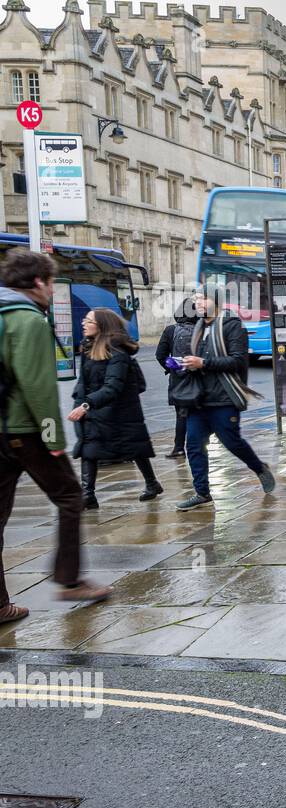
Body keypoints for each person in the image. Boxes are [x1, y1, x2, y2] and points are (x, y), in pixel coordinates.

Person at [0, 249, 112, 622]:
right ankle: (70, 580)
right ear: (37, 283)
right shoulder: (27, 319)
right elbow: (38, 387)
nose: (51, 290)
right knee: (69, 496)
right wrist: (54, 440)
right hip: (24, 430)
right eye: (50, 283)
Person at [174, 301, 276, 512]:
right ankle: (202, 493)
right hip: (199, 398)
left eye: (204, 298)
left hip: (224, 397)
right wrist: (184, 363)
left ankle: (259, 468)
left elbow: (237, 361)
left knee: (231, 442)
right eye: (197, 298)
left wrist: (204, 363)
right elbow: (199, 359)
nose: (198, 303)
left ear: (217, 301)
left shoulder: (233, 326)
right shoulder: (198, 328)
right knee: (193, 445)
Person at [70, 309, 163, 510]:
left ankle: (151, 482)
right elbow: (83, 381)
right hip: (94, 407)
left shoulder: (118, 353)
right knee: (90, 447)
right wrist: (79, 400)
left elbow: (113, 387)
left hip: (119, 410)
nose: (83, 323)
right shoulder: (88, 348)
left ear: (102, 325)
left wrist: (86, 404)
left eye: (88, 321)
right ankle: (87, 495)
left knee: (133, 446)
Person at [156, 295, 203, 458]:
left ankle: (178, 447)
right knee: (200, 412)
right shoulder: (202, 329)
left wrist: (172, 368)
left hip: (178, 379)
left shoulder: (170, 330)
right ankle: (200, 444)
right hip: (200, 376)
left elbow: (160, 355)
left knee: (181, 414)